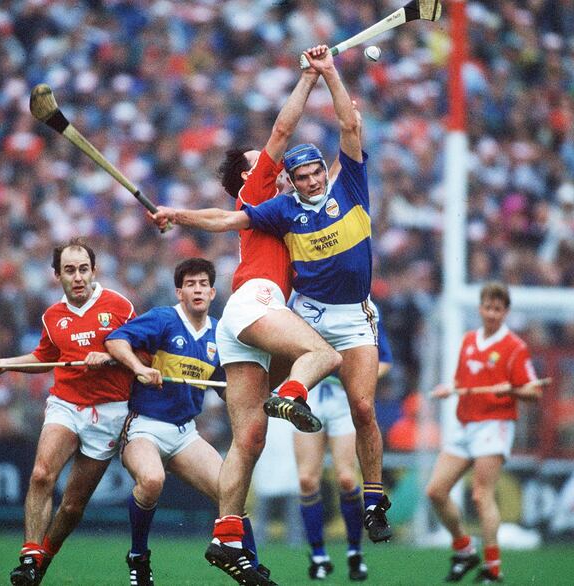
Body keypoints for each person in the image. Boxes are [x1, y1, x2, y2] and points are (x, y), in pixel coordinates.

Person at [151, 44, 393, 544]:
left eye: (311, 172)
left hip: (338, 313)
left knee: (347, 412)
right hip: (290, 310)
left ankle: (231, 533)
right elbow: (233, 212)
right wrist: (180, 214)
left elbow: (349, 132)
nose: (283, 167)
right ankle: (280, 395)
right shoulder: (272, 202)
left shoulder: (337, 188)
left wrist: (329, 76)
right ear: (254, 174)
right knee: (310, 367)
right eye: (291, 171)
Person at [159, 59, 342, 586]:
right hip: (257, 303)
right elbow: (282, 130)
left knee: (249, 441)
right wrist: (310, 76)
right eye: (259, 160)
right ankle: (292, 395)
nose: (271, 159)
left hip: (241, 321)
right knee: (323, 354)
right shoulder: (259, 189)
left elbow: (331, 186)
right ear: (247, 174)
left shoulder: (284, 207)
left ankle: (226, 536)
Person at [0, 238, 136, 586]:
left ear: (94, 271)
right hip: (65, 404)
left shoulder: (119, 306)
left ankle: (42, 561)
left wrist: (110, 356)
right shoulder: (52, 317)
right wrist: (4, 364)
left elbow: (141, 354)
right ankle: (29, 556)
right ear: (57, 275)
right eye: (69, 270)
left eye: (83, 269)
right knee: (40, 475)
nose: (77, 277)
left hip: (108, 413)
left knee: (73, 506)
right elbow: (43, 358)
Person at [103, 258, 268, 585]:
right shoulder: (163, 319)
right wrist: (139, 368)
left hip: (185, 434)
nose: (198, 290)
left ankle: (251, 564)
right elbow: (115, 341)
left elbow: (225, 387)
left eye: (203, 284)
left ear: (212, 292)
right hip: (145, 427)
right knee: (151, 480)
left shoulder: (219, 333)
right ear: (179, 292)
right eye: (190, 284)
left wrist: (256, 398)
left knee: (230, 489)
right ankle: (138, 558)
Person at [426, 282, 542, 584]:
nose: (491, 313)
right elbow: (462, 382)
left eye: (497, 309)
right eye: (488, 307)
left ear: (505, 312)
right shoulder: (468, 340)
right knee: (436, 491)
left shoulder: (515, 347)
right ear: (480, 308)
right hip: (466, 423)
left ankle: (493, 567)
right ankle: (464, 550)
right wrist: (450, 389)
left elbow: (534, 391)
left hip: (494, 424)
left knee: (481, 495)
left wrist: (512, 389)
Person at [295, 316, 393, 582]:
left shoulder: (362, 309)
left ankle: (354, 552)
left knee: (347, 478)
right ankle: (318, 556)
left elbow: (383, 361)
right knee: (306, 480)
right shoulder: (302, 304)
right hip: (310, 396)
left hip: (343, 399)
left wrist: (355, 375)